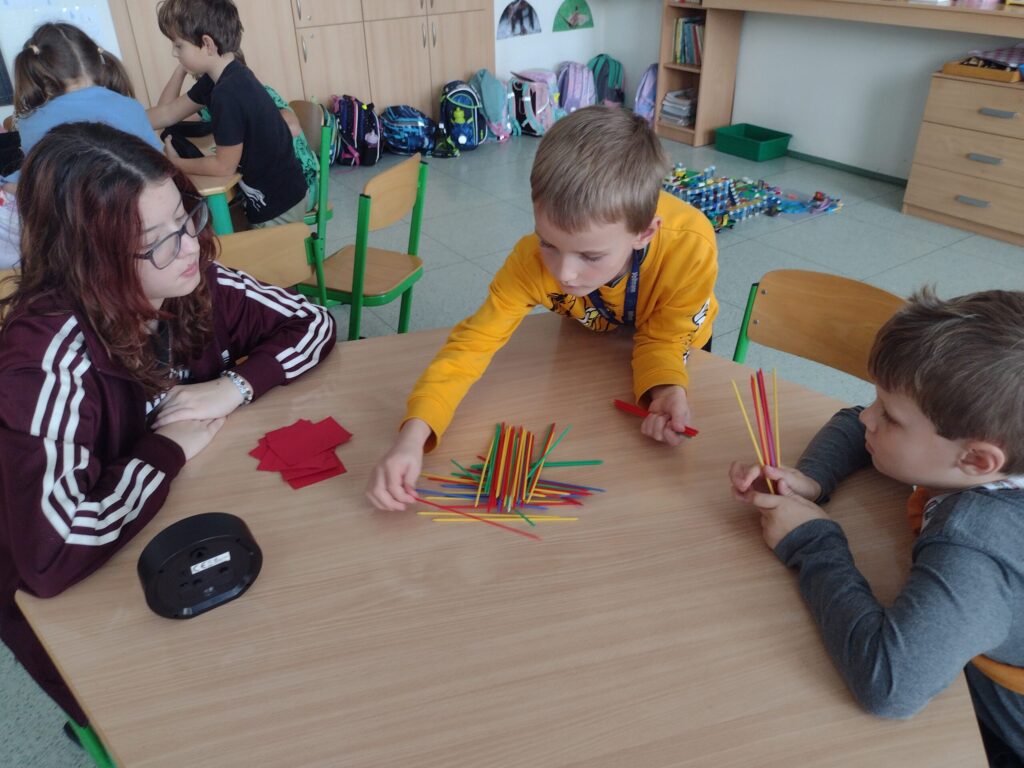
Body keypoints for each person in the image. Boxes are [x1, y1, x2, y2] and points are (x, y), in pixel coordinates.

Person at [0, 122, 336, 729]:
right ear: (92, 262)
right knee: (163, 720)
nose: (189, 249)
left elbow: (314, 323)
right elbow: (50, 555)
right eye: (158, 241)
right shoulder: (44, 358)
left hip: (173, 527)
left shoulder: (190, 281)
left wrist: (233, 387)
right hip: (75, 597)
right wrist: (165, 450)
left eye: (186, 219)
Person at [367, 106, 718, 511]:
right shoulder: (530, 262)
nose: (564, 273)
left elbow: (665, 340)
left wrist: (668, 389)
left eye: (590, 255)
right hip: (592, 338)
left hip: (676, 341)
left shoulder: (691, 246)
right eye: (548, 243)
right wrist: (413, 435)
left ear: (645, 233)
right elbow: (471, 346)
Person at [729, 289, 1024, 766]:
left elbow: (889, 686)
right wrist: (813, 479)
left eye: (890, 417)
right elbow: (854, 425)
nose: (868, 415)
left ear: (976, 460)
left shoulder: (976, 549)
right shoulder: (995, 448)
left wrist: (812, 541)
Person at [0, 22, 161, 266]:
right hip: (126, 213)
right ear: (98, 61)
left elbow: (37, 179)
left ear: (43, 78)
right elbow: (157, 166)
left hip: (65, 225)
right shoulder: (129, 107)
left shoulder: (30, 121)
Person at [145, 0, 308, 228]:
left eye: (178, 46)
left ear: (207, 44)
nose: (174, 52)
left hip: (279, 206)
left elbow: (223, 167)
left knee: (221, 237)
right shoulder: (223, 78)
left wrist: (174, 164)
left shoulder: (227, 93)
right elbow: (168, 113)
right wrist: (118, 122)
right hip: (277, 197)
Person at [156, 57, 320, 210]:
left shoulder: (257, 94)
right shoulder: (216, 105)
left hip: (298, 188)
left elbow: (292, 127)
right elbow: (165, 118)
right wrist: (181, 70)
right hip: (264, 190)